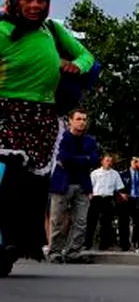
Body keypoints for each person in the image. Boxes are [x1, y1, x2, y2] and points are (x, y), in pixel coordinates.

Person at [0, 0, 94, 270]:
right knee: (7, 179)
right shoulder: (2, 29)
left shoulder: (51, 30)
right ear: (15, 1)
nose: (35, 5)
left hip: (44, 116)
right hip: (7, 111)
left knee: (31, 186)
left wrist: (75, 66)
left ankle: (15, 244)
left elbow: (86, 56)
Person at [47, 109, 98, 263]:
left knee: (81, 221)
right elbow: (63, 158)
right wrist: (84, 159)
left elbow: (94, 160)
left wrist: (75, 160)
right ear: (70, 120)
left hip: (82, 185)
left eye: (84, 119)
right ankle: (54, 252)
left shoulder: (90, 140)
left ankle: (73, 252)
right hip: (62, 184)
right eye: (78, 119)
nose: (82, 122)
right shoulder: (62, 138)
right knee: (57, 220)